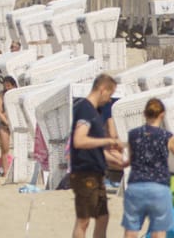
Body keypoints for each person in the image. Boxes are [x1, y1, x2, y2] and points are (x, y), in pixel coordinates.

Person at [122, 97, 174, 238]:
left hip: (136, 186)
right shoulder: (166, 136)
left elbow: (130, 159)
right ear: (162, 115)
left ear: (144, 113)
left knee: (131, 228)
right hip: (157, 187)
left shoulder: (133, 135)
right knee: (158, 228)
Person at [70, 74, 121, 238]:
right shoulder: (85, 109)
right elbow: (79, 140)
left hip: (96, 173)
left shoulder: (94, 112)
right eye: (109, 95)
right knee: (83, 220)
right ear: (102, 89)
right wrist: (108, 139)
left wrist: (118, 160)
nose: (109, 100)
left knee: (102, 217)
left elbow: (94, 148)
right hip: (85, 173)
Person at [0, 76, 17, 176]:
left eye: (9, 86)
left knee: (19, 148)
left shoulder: (18, 93)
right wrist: (7, 122)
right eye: (5, 86)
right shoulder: (2, 94)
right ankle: (5, 172)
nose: (7, 88)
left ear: (14, 85)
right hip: (4, 125)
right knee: (5, 149)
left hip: (16, 124)